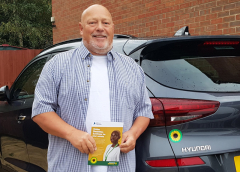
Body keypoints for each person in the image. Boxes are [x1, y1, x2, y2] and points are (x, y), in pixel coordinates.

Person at [32, 4, 153, 172]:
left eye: (106, 23)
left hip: (120, 167)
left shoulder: (131, 68)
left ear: (112, 28)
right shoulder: (57, 65)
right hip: (71, 166)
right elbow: (41, 110)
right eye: (92, 23)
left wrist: (133, 133)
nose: (100, 28)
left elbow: (144, 110)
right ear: (81, 29)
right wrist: (72, 134)